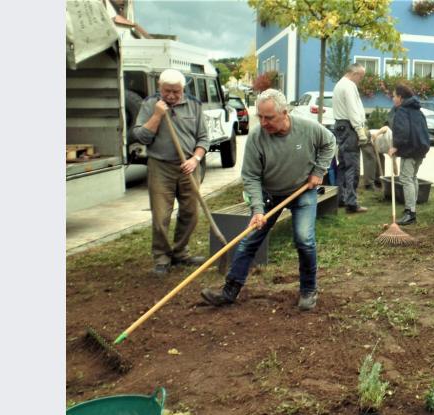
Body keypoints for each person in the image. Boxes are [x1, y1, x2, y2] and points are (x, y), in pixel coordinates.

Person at [200, 89, 336, 311]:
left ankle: (308, 290)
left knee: (304, 239)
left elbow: (329, 142)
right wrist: (257, 209)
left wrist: (319, 171)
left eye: (269, 117)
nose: (263, 123)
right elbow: (251, 176)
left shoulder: (308, 128)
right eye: (259, 117)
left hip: (302, 191)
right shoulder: (256, 137)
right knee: (249, 240)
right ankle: (229, 292)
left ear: (285, 112)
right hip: (270, 196)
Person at [130, 69, 209, 275]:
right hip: (160, 166)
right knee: (161, 215)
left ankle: (181, 252)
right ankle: (162, 258)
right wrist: (157, 115)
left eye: (176, 91)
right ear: (159, 88)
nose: (172, 96)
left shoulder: (194, 105)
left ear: (183, 89)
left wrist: (195, 159)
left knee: (191, 213)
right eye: (167, 91)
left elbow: (203, 138)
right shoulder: (149, 105)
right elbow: (141, 136)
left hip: (189, 167)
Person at [333, 63, 373, 213]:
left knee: (343, 165)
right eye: (361, 76)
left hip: (341, 126)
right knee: (352, 166)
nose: (360, 80)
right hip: (349, 128)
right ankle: (351, 203)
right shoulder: (349, 86)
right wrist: (360, 130)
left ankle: (340, 199)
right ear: (354, 73)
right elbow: (352, 109)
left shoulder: (339, 84)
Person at [388, 84, 430, 226]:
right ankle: (411, 207)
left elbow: (402, 132)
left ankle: (410, 213)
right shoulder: (418, 110)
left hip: (410, 150)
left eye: (394, 96)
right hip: (421, 148)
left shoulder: (402, 110)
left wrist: (395, 146)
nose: (393, 98)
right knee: (412, 177)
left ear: (400, 97)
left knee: (406, 178)